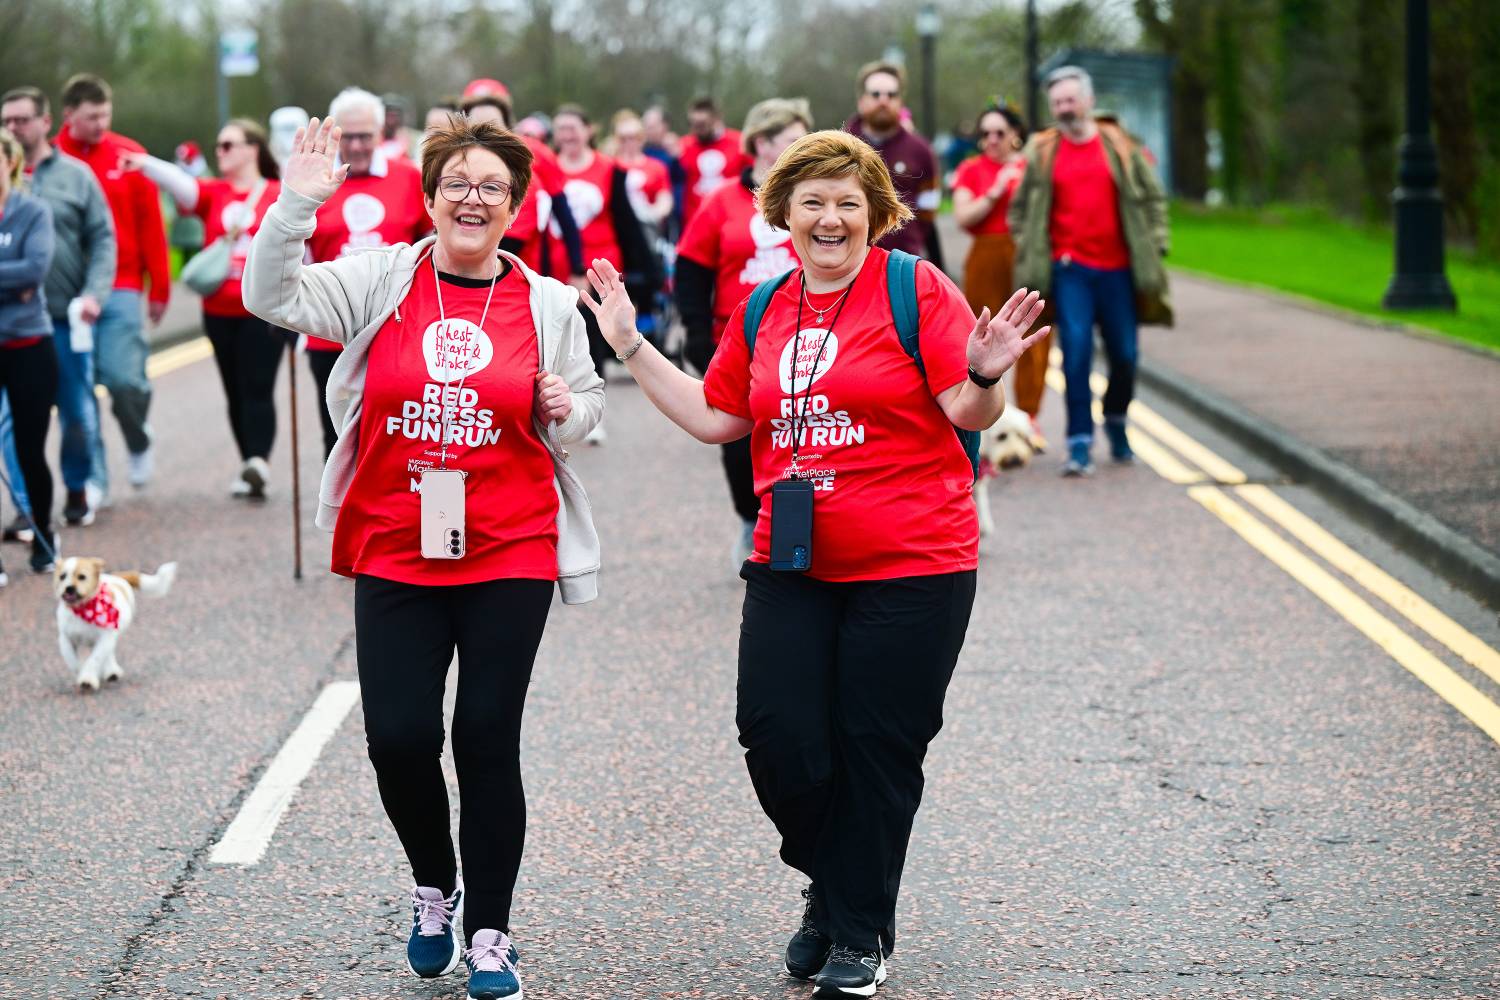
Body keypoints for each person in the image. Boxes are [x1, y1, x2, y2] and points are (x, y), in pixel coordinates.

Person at [582, 130, 1048, 997]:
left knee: (877, 746)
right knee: (777, 738)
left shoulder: (914, 289)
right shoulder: (763, 306)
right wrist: (630, 344)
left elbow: (966, 409)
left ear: (875, 213)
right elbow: (718, 415)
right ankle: (834, 885)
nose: (830, 219)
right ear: (783, 214)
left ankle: (857, 930)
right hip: (793, 560)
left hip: (914, 562)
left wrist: (986, 377)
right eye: (812, 203)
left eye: (847, 202)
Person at [243, 115, 603, 1000]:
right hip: (396, 540)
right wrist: (296, 205)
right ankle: (435, 885)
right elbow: (269, 296)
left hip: (510, 543)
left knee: (485, 736)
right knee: (399, 739)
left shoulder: (549, 304)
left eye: (492, 188)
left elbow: (591, 405)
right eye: (457, 184)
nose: (472, 199)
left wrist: (570, 407)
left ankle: (491, 933)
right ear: (432, 196)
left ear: (515, 206)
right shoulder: (381, 279)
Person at [1008, 65, 1170, 476]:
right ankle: (1079, 441)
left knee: (1126, 356)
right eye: (1057, 102)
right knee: (1076, 353)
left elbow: (1153, 198)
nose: (1064, 108)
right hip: (1069, 270)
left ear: (1089, 101)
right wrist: (1029, 243)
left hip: (1118, 270)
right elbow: (1019, 208)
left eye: (1070, 99)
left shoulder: (1119, 144)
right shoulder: (1043, 150)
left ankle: (1115, 419)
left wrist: (1156, 241)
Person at [675, 97, 810, 569]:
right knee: (738, 439)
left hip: (805, 333)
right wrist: (695, 333)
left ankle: (801, 528)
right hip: (738, 338)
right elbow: (690, 269)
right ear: (761, 143)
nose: (801, 147)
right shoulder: (722, 201)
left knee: (804, 432)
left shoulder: (811, 197)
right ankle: (750, 520)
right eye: (791, 139)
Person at [125, 118, 287, 499]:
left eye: (228, 145)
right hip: (218, 311)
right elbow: (179, 184)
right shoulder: (214, 193)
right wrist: (144, 163)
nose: (220, 152)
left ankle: (259, 460)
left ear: (253, 149)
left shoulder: (277, 194)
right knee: (234, 390)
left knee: (257, 387)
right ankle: (248, 462)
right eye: (218, 145)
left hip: (263, 311)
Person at [0, 85, 115, 532]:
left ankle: (77, 486)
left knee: (77, 415)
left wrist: (95, 293)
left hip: (66, 317)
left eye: (22, 119)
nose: (14, 127)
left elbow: (102, 238)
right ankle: (28, 507)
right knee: (13, 422)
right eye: (7, 121)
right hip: (13, 323)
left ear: (46, 122)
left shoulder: (76, 176)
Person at [55, 73, 170, 497]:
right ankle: (93, 480)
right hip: (69, 289)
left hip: (122, 283)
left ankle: (138, 437)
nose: (100, 125)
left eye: (105, 115)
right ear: (68, 115)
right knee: (78, 392)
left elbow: (151, 224)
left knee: (124, 380)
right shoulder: (50, 160)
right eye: (91, 117)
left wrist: (160, 287)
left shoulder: (128, 155)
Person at [302, 88, 431, 458]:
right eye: (348, 136)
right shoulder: (315, 182)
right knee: (338, 434)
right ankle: (340, 497)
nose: (356, 146)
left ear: (380, 134)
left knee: (397, 431)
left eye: (365, 136)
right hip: (330, 328)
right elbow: (296, 251)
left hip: (397, 326)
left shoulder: (409, 178)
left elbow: (432, 245)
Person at [952, 104, 1048, 442]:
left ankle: (1030, 417)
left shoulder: (1033, 167)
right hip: (986, 257)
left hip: (1027, 256)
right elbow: (963, 216)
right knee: (984, 334)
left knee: (1033, 336)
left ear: (1015, 134)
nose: (992, 140)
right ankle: (986, 418)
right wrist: (994, 191)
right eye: (986, 133)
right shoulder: (971, 169)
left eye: (999, 133)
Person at [550, 104, 658, 402]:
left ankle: (592, 405)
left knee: (593, 341)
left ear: (588, 131)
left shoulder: (609, 170)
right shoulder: (545, 168)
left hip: (600, 271)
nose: (567, 135)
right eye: (561, 129)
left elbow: (626, 222)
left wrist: (647, 272)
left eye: (573, 128)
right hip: (555, 271)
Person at [0, 126, 59, 579]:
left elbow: (34, 269)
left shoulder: (33, 211)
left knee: (29, 449)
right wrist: (11, 278)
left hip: (28, 346)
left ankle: (43, 536)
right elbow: (16, 274)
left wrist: (20, 279)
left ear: (11, 162)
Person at [459, 87, 585, 286]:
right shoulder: (452, 171)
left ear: (508, 129)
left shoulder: (528, 167)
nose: (483, 135)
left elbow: (563, 215)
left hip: (519, 278)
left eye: (492, 126)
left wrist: (578, 268)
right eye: (475, 126)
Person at [844, 61, 942, 264]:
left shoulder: (921, 150)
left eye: (891, 94)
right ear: (861, 100)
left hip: (903, 263)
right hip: (848, 260)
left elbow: (928, 208)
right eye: (876, 94)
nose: (884, 100)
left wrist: (910, 237)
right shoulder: (840, 145)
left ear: (900, 101)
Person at [678, 96, 749, 226]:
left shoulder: (739, 143)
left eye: (702, 124)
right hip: (695, 221)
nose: (697, 130)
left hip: (730, 217)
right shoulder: (684, 146)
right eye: (693, 124)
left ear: (716, 119)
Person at [610, 111, 673, 230]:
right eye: (623, 139)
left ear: (641, 138)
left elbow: (665, 200)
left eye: (633, 138)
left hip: (646, 227)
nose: (628, 143)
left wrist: (652, 214)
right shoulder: (610, 166)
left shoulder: (656, 167)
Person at [641, 105, 686, 236]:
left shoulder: (676, 151)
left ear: (664, 126)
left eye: (652, 126)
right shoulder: (640, 153)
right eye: (646, 126)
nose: (649, 130)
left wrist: (677, 157)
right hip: (649, 215)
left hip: (675, 217)